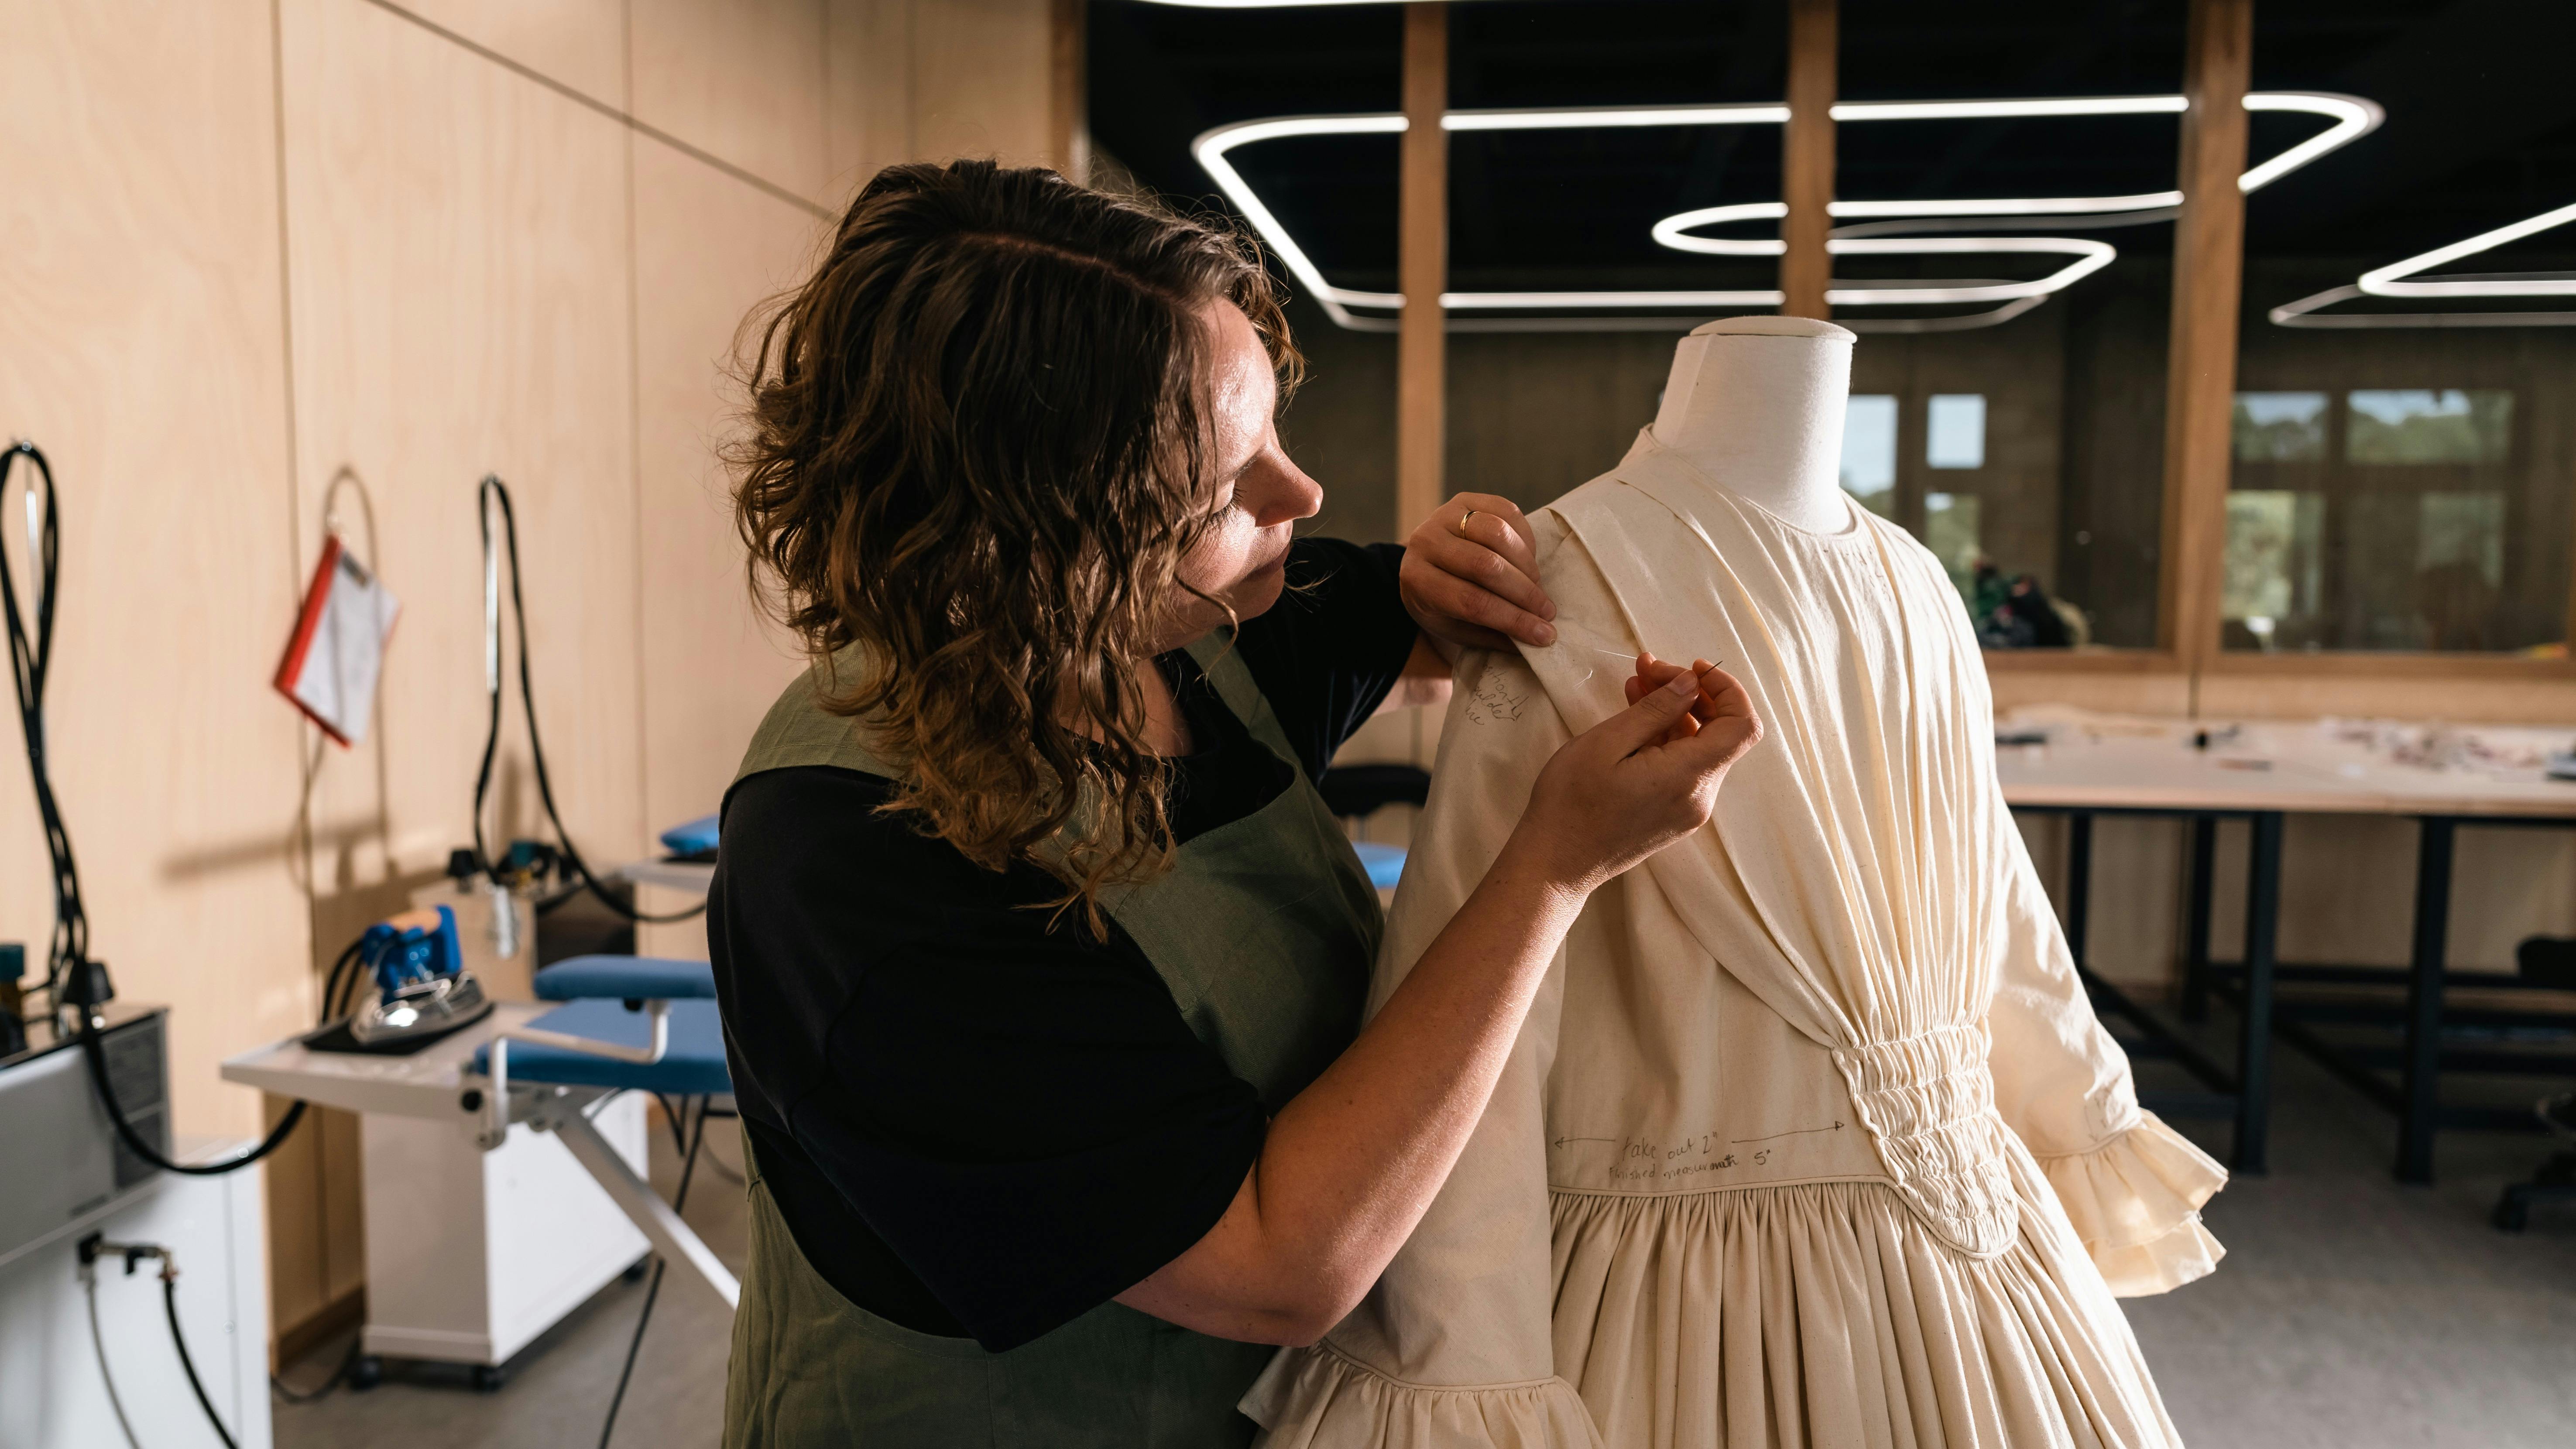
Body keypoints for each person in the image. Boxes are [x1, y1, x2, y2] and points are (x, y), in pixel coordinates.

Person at [707, 158, 1761, 1448]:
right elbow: (1279, 1263)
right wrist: (1551, 869)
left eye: (1275, 435)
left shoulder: (1192, 635)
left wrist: (1452, 575)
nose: (1302, 497)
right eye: (1227, 488)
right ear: (1044, 541)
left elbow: (1414, 607)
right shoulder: (854, 865)